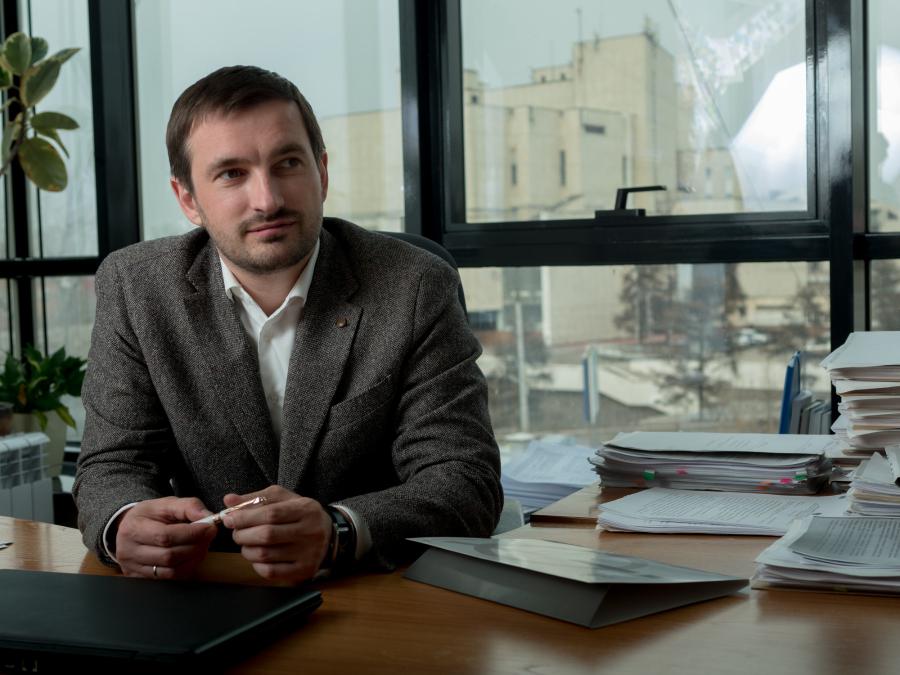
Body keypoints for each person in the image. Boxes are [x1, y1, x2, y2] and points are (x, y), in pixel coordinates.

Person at [73, 65, 502, 583]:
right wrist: (123, 522)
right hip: (208, 588)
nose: (268, 200)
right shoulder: (136, 287)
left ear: (322, 172)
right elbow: (112, 465)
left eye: (288, 163)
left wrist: (339, 530)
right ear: (188, 200)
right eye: (232, 174)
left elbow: (464, 480)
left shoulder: (414, 285)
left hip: (371, 591)